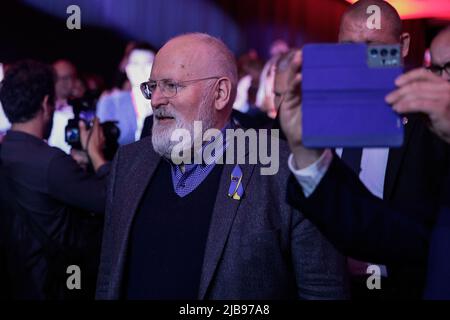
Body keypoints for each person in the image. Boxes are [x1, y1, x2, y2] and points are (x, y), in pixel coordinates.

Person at [96, 33, 348, 300]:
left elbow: (324, 292)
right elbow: (108, 277)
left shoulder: (288, 172)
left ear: (220, 93)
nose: (156, 99)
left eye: (171, 86)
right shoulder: (129, 162)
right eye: (153, 86)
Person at [278, 0, 449, 299]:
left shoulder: (431, 126)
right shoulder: (311, 120)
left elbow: (416, 235)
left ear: (403, 45)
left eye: (371, 46)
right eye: (348, 47)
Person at [0, 60, 108, 299]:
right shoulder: (50, 162)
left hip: (20, 281)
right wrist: (97, 155)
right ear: (46, 104)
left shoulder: (7, 151)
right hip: (57, 285)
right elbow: (107, 200)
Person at [96, 42, 155, 145]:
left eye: (148, 63)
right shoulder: (111, 102)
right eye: (135, 63)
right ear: (127, 68)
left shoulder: (166, 101)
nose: (141, 69)